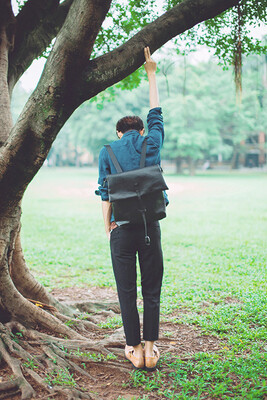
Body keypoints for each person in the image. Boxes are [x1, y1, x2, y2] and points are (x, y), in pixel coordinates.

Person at [96, 47, 166, 371]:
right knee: (151, 289)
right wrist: (150, 72)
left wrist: (107, 225)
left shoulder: (106, 151)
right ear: (141, 131)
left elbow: (105, 194)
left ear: (118, 133)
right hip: (150, 226)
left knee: (127, 291)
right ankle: (151, 349)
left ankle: (134, 349)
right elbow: (157, 112)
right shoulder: (150, 143)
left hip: (121, 230)